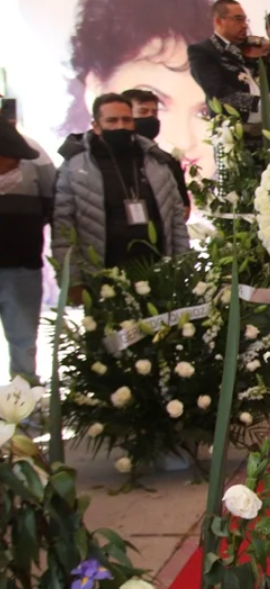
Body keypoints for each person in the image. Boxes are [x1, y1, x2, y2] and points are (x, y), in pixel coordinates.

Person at [63, 0, 224, 180]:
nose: (185, 140)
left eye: (204, 112)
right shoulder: (78, 170)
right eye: (157, 104)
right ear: (96, 85)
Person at [54, 94, 190, 292]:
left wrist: (183, 268)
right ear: (96, 125)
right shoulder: (75, 167)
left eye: (127, 120)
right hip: (102, 276)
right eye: (112, 120)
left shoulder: (157, 162)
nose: (120, 126)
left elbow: (177, 220)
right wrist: (73, 281)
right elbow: (63, 228)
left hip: (157, 271)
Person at [0, 123, 55, 381]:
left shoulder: (33, 152)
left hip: (22, 268)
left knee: (24, 344)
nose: (14, 166)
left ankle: (23, 412)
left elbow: (52, 204)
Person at [188, 0, 270, 124]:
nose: (245, 25)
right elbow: (219, 93)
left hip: (265, 127)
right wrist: (261, 101)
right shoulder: (202, 51)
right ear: (219, 21)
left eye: (245, 20)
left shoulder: (248, 48)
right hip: (233, 129)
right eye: (238, 19)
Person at [122, 89, 190, 209]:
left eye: (154, 113)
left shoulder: (168, 160)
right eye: (143, 111)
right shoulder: (110, 159)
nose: (150, 117)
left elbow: (183, 207)